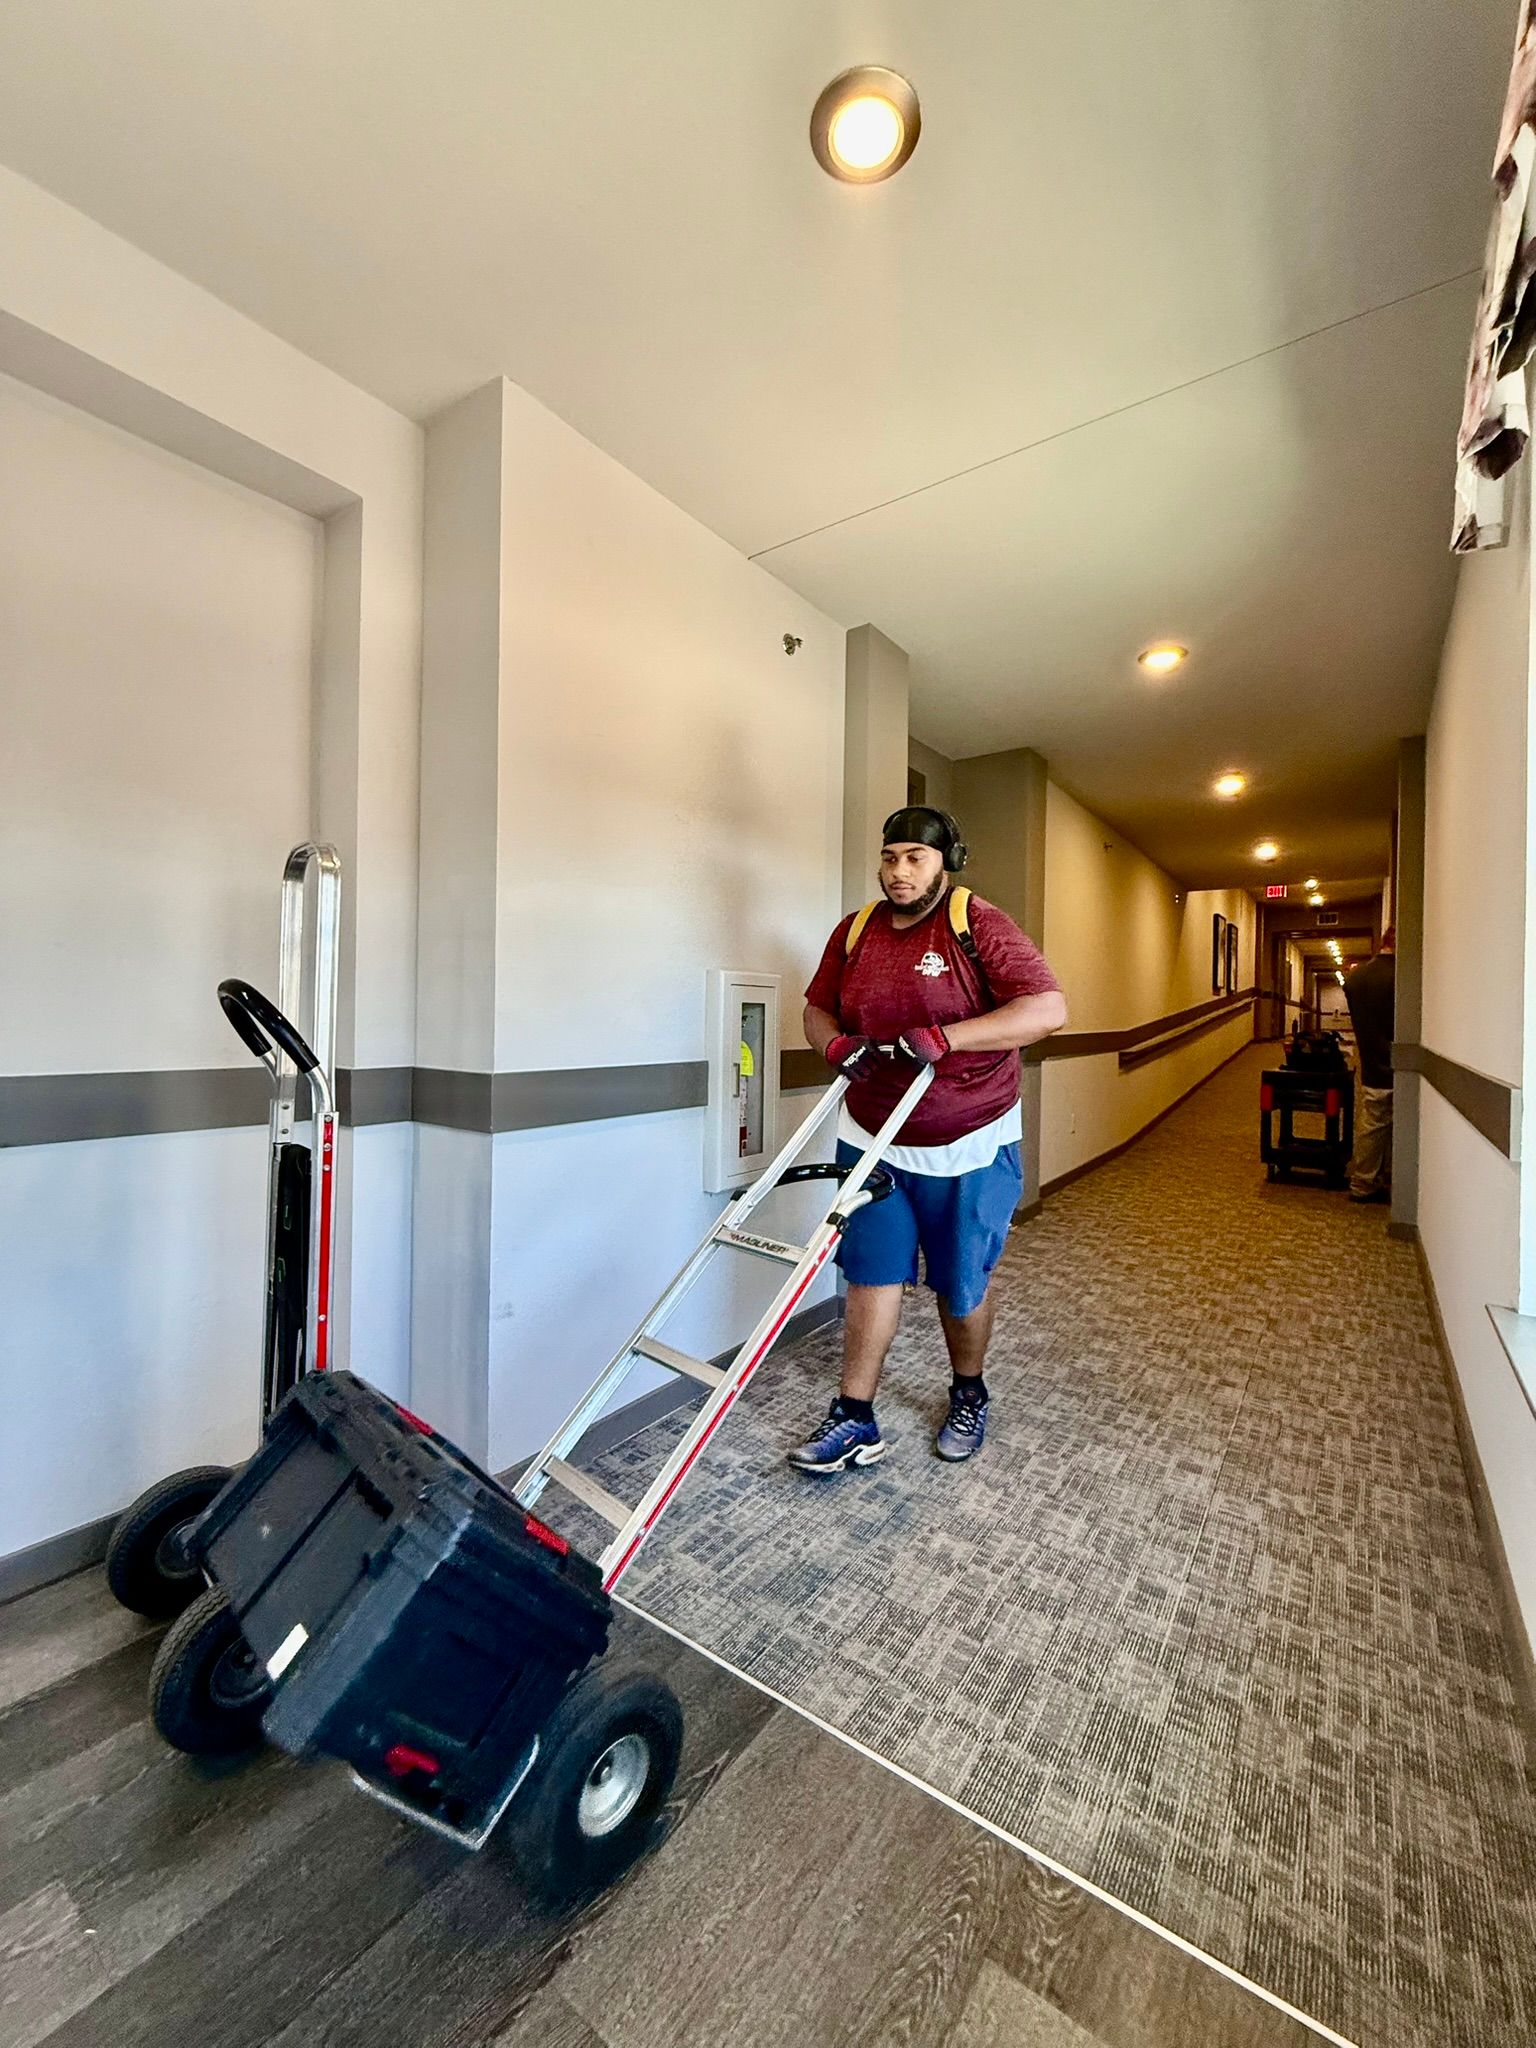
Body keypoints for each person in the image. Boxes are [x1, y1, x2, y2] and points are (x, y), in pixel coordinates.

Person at [789, 806, 1067, 1474]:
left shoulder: (977, 923)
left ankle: (968, 1392)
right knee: (871, 1275)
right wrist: (833, 1042)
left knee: (958, 1284)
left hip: (968, 1138)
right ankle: (854, 1416)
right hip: (873, 1133)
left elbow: (1048, 1009)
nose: (900, 871)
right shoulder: (855, 931)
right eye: (891, 857)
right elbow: (816, 1006)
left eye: (916, 856)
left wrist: (949, 1038)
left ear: (947, 859)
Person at [1343, 926, 1395, 1203]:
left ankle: (1364, 1179)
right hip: (1398, 1065)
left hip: (1370, 1060)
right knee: (1385, 1124)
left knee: (1371, 1122)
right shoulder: (1402, 977)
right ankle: (1373, 1180)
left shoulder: (1356, 979)